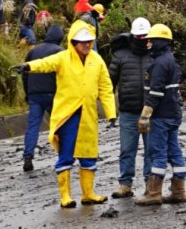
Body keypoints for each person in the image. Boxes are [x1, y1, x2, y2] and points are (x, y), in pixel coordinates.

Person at [16, 20, 116, 209]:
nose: (86, 45)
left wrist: (111, 113)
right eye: (82, 41)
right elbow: (46, 63)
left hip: (88, 115)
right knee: (66, 155)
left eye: (89, 41)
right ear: (73, 42)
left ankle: (88, 194)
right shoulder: (63, 57)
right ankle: (65, 196)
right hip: (68, 114)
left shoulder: (97, 60)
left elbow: (105, 87)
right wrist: (28, 67)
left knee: (88, 155)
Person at [136, 24, 186, 206]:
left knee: (158, 153)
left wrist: (145, 115)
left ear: (160, 42)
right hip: (173, 114)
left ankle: (153, 193)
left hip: (161, 116)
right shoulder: (171, 60)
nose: (149, 43)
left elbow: (155, 92)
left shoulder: (159, 64)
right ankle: (179, 191)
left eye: (151, 40)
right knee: (175, 151)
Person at [108, 17, 154, 199]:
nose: (142, 39)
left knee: (151, 150)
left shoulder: (155, 54)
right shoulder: (120, 56)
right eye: (139, 36)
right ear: (133, 36)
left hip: (151, 111)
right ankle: (125, 184)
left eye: (145, 36)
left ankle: (150, 185)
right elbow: (108, 82)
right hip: (128, 111)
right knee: (127, 149)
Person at [21, 24, 65, 172]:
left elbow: (25, 72)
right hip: (53, 95)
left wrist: (27, 93)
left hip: (34, 94)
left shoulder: (34, 50)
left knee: (33, 126)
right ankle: (62, 155)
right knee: (59, 126)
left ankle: (28, 156)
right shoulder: (60, 52)